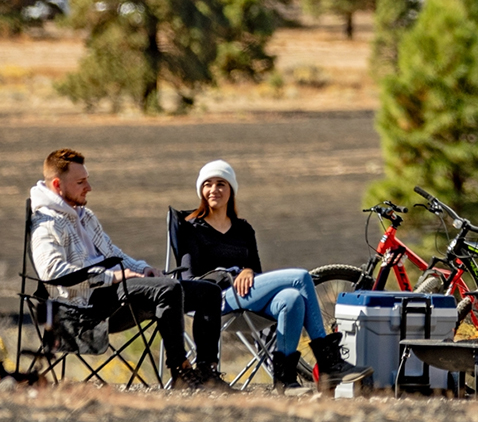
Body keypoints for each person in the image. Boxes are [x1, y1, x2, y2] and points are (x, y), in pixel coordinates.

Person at [29, 148, 228, 390]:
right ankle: (181, 371)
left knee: (208, 291)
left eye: (87, 180)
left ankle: (207, 373)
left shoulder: (85, 216)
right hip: (83, 307)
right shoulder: (45, 223)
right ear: (58, 184)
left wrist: (143, 270)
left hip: (116, 296)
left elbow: (114, 254)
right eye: (81, 182)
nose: (88, 187)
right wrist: (110, 277)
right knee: (168, 289)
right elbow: (52, 272)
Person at [177, 160, 371, 393]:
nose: (214, 189)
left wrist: (247, 271)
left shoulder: (243, 229)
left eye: (221, 183)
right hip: (214, 299)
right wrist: (228, 274)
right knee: (299, 277)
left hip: (247, 296)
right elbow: (190, 278)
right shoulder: (191, 229)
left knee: (291, 298)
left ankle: (285, 380)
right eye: (207, 184)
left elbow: (255, 271)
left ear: (231, 190)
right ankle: (328, 361)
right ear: (201, 190)